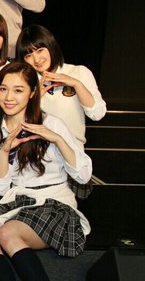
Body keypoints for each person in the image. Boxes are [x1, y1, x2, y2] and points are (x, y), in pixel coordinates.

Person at [0, 62, 92, 281]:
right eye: (3, 89)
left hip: (55, 202)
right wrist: (4, 151)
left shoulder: (51, 123)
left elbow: (83, 174)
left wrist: (57, 139)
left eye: (18, 90)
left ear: (32, 93)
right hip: (18, 201)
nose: (9, 97)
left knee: (8, 233)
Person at [17, 24, 106, 199]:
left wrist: (76, 84)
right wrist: (35, 97)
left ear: (51, 45)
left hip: (72, 156)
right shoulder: (26, 82)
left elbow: (97, 114)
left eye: (40, 50)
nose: (36, 59)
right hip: (38, 160)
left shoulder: (78, 72)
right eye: (28, 55)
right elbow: (17, 121)